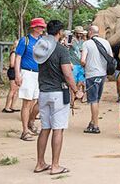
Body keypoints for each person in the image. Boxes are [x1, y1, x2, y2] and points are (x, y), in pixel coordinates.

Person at [32, 20, 83, 176]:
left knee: (45, 128)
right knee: (58, 129)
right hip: (58, 93)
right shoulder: (61, 50)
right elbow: (67, 74)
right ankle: (55, 165)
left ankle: (40, 163)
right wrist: (76, 91)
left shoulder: (41, 48)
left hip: (43, 92)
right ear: (60, 32)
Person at [14, 18, 46, 141]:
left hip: (39, 73)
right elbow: (18, 57)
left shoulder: (42, 41)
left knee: (37, 101)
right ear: (34, 27)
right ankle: (25, 130)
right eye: (40, 27)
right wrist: (18, 74)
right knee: (27, 103)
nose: (42, 29)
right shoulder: (25, 40)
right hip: (27, 72)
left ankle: (30, 122)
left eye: (43, 27)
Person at [80, 25, 113, 134]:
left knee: (93, 100)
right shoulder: (106, 42)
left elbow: (83, 60)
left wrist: (85, 65)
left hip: (91, 75)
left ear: (90, 32)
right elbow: (110, 58)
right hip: (102, 74)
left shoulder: (86, 43)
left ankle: (95, 126)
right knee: (96, 100)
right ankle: (92, 121)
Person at [69, 26, 86, 108]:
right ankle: (72, 102)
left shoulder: (83, 41)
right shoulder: (71, 40)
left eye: (81, 33)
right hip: (73, 63)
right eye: (78, 33)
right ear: (75, 33)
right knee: (73, 82)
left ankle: (74, 97)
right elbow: (66, 50)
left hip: (81, 64)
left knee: (80, 82)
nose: (79, 34)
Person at [2, 40, 19, 113]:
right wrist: (18, 64)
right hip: (13, 72)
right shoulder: (14, 53)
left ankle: (12, 106)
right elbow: (12, 64)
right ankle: (7, 107)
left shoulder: (18, 53)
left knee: (16, 90)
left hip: (17, 71)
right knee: (12, 90)